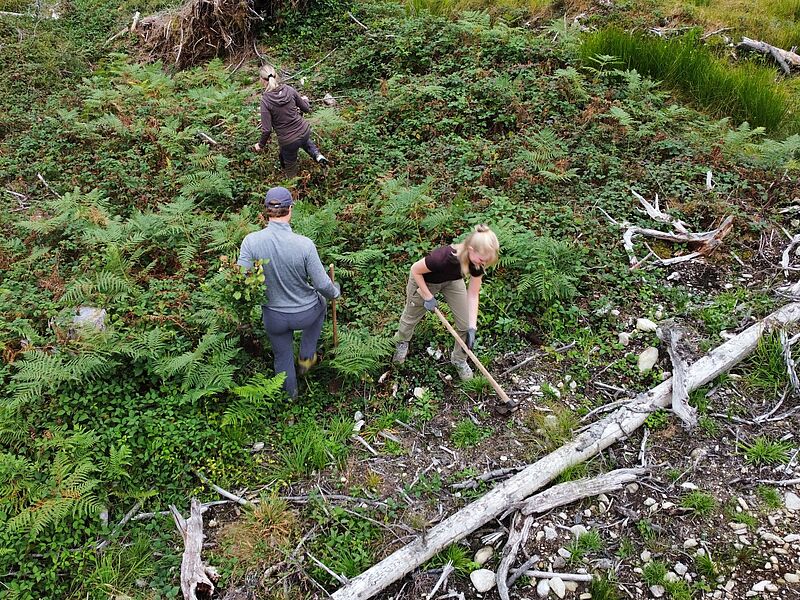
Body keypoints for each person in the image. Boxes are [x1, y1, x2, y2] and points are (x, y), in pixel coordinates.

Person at [237, 186, 340, 398]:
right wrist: (334, 293)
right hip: (306, 314)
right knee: (321, 301)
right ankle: (306, 358)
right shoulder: (304, 245)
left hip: (273, 316)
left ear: (266, 210)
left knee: (282, 356)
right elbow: (321, 284)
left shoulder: (251, 241)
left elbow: (241, 278)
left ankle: (289, 400)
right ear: (290, 209)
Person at [392, 224, 500, 380]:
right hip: (424, 281)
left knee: (465, 324)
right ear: (470, 249)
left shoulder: (477, 263)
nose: (482, 265)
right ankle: (402, 341)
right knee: (411, 317)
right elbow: (415, 270)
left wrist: (472, 326)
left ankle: (459, 360)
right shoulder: (443, 258)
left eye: (485, 262)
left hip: (452, 281)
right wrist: (428, 296)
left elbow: (473, 294)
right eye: (482, 260)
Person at [253, 64, 328, 177]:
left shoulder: (266, 100)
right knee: (304, 140)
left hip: (288, 140)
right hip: (304, 130)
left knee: (290, 165)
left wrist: (260, 145)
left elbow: (267, 130)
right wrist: (305, 100)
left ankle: (292, 184)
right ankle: (318, 156)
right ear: (276, 76)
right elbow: (306, 109)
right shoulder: (289, 89)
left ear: (262, 80)